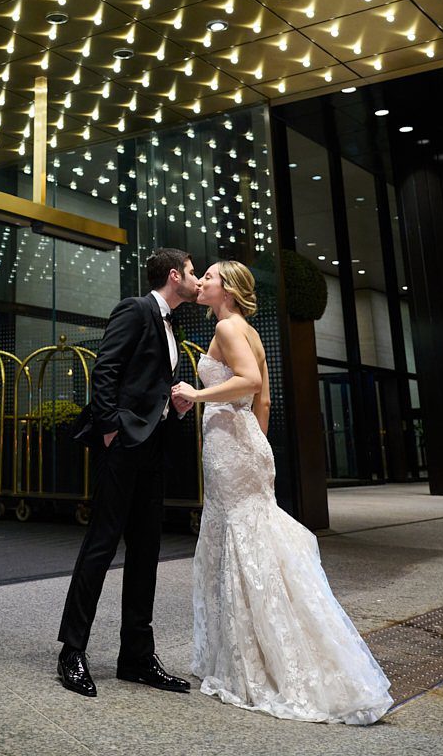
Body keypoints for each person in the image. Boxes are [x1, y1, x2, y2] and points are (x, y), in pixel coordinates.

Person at [170, 261, 393, 724]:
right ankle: (264, 648)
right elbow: (264, 401)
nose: (203, 282)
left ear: (226, 289)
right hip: (247, 443)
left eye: (209, 276)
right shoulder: (246, 329)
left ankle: (255, 660)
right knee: (256, 543)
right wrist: (257, 447)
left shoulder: (229, 328)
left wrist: (196, 394)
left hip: (232, 446)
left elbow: (250, 383)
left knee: (242, 543)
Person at [56, 248, 201, 697]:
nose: (197, 281)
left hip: (153, 447)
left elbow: (149, 383)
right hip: (121, 447)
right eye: (193, 273)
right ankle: (71, 652)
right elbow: (106, 371)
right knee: (101, 546)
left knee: (145, 551)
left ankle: (135, 657)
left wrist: (172, 404)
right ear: (174, 276)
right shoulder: (135, 309)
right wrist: (109, 431)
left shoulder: (172, 323)